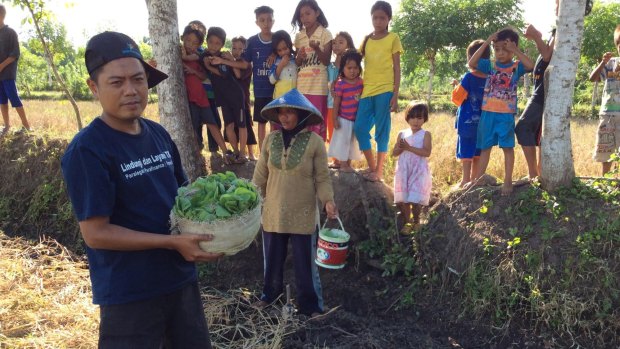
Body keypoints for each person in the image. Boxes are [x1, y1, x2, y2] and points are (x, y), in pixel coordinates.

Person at [61, 31, 222, 347]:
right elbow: (96, 233)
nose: (131, 91)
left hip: (179, 280)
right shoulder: (88, 150)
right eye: (116, 83)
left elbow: (183, 195)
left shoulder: (158, 134)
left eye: (138, 80)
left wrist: (221, 217)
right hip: (129, 293)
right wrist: (171, 243)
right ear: (94, 87)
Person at [252, 88, 338, 318]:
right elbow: (260, 176)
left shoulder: (315, 143)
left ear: (301, 114)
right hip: (273, 214)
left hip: (303, 215)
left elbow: (322, 177)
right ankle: (269, 298)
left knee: (306, 266)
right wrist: (250, 199)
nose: (285, 117)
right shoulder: (270, 140)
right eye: (281, 112)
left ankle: (311, 307)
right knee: (271, 262)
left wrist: (328, 201)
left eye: (290, 112)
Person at [468, 28, 534, 195]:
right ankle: (478, 180)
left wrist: (516, 51)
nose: (501, 53)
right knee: (485, 147)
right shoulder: (489, 65)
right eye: (497, 49)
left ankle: (507, 181)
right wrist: (486, 42)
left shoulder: (516, 67)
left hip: (506, 115)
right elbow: (472, 63)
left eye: (505, 49)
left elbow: (531, 66)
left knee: (507, 148)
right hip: (487, 113)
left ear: (512, 48)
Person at [354, 1, 403, 183]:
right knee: (359, 128)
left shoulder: (393, 38)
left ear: (388, 19)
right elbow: (355, 59)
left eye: (382, 17)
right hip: (366, 90)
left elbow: (397, 68)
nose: (378, 21)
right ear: (371, 18)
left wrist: (395, 94)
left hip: (385, 90)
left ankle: (379, 171)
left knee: (382, 131)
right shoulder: (366, 40)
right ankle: (372, 166)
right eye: (375, 17)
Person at [181, 22, 229, 158]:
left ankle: (225, 151)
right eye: (188, 41)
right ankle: (198, 152)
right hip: (190, 99)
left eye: (195, 43)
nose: (190, 45)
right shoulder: (176, 56)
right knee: (194, 126)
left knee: (213, 123)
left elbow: (203, 76)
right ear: (182, 38)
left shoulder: (200, 57)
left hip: (203, 97)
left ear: (200, 44)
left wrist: (192, 71)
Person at [202, 27, 249, 163]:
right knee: (228, 126)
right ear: (207, 42)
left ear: (222, 45)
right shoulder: (204, 55)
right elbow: (197, 56)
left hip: (236, 95)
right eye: (211, 42)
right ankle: (235, 152)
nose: (213, 46)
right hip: (223, 98)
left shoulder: (223, 56)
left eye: (217, 43)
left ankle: (242, 154)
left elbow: (223, 73)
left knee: (241, 125)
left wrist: (209, 67)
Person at [515, 23, 555, 181]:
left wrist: (536, 37)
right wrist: (536, 37)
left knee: (523, 127)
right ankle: (538, 172)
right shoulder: (556, 31)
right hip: (539, 94)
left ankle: (533, 174)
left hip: (542, 95)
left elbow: (546, 55)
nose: (556, 5)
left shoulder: (562, 29)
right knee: (539, 135)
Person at [292, 0, 333, 141]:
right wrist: (299, 57)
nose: (305, 18)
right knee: (302, 123)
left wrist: (316, 48)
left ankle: (318, 157)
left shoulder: (325, 34)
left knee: (317, 122)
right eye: (301, 15)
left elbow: (326, 60)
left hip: (318, 87)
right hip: (301, 87)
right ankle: (303, 159)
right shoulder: (299, 36)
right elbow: (297, 63)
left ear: (317, 13)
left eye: (308, 13)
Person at [451, 40, 490, 187]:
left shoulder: (468, 77)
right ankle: (474, 180)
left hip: (467, 122)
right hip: (483, 124)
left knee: (466, 152)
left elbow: (457, 99)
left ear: (470, 58)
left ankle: (465, 180)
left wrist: (456, 86)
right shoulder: (490, 78)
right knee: (478, 153)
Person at [392, 101, 432, 235]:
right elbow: (394, 153)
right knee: (404, 199)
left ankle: (416, 222)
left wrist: (409, 148)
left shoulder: (425, 134)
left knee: (415, 199)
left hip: (418, 170)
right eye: (413, 117)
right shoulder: (402, 134)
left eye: (419, 118)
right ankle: (408, 222)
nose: (416, 121)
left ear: (424, 119)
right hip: (404, 170)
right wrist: (399, 148)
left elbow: (426, 152)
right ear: (407, 118)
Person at [242, 5, 276, 152]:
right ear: (257, 22)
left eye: (269, 20)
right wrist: (226, 60)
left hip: (276, 90)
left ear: (273, 21)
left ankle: (274, 150)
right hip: (260, 90)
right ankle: (263, 152)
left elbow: (288, 54)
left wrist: (277, 55)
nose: (266, 23)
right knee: (261, 123)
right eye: (262, 20)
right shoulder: (252, 41)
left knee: (275, 123)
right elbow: (244, 63)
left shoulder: (278, 39)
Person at [589, 24, 620, 176]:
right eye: (619, 43)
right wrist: (602, 62)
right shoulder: (610, 63)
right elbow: (592, 78)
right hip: (607, 115)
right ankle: (605, 181)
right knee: (605, 150)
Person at [327, 49, 363, 173]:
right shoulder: (341, 84)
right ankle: (342, 164)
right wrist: (334, 118)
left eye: (355, 68)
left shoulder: (361, 83)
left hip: (355, 120)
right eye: (349, 68)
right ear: (343, 68)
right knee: (342, 142)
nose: (353, 71)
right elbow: (336, 102)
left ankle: (347, 163)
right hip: (343, 119)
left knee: (352, 142)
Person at [0, 4, 30, 135]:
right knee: (1, 100)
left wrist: (1, 66)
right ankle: (7, 126)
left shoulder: (10, 32)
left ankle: (26, 126)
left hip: (7, 74)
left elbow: (15, 54)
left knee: (14, 98)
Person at [327, 31, 355, 169]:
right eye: (334, 42)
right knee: (332, 131)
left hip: (345, 107)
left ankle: (345, 160)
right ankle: (336, 160)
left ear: (348, 45)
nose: (336, 45)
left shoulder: (350, 68)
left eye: (341, 42)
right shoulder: (330, 66)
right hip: (330, 103)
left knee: (344, 133)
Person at [231, 36, 258, 161]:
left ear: (245, 50)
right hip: (233, 100)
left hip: (244, 99)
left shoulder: (245, 64)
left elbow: (237, 75)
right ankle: (238, 152)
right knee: (235, 126)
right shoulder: (231, 63)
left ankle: (251, 153)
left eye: (240, 48)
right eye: (234, 48)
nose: (236, 51)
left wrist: (230, 60)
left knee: (247, 125)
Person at [269, 30, 297, 99]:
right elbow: (272, 80)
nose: (283, 52)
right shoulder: (275, 61)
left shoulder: (295, 60)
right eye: (279, 50)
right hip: (279, 100)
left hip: (294, 100)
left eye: (285, 48)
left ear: (290, 45)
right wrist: (281, 65)